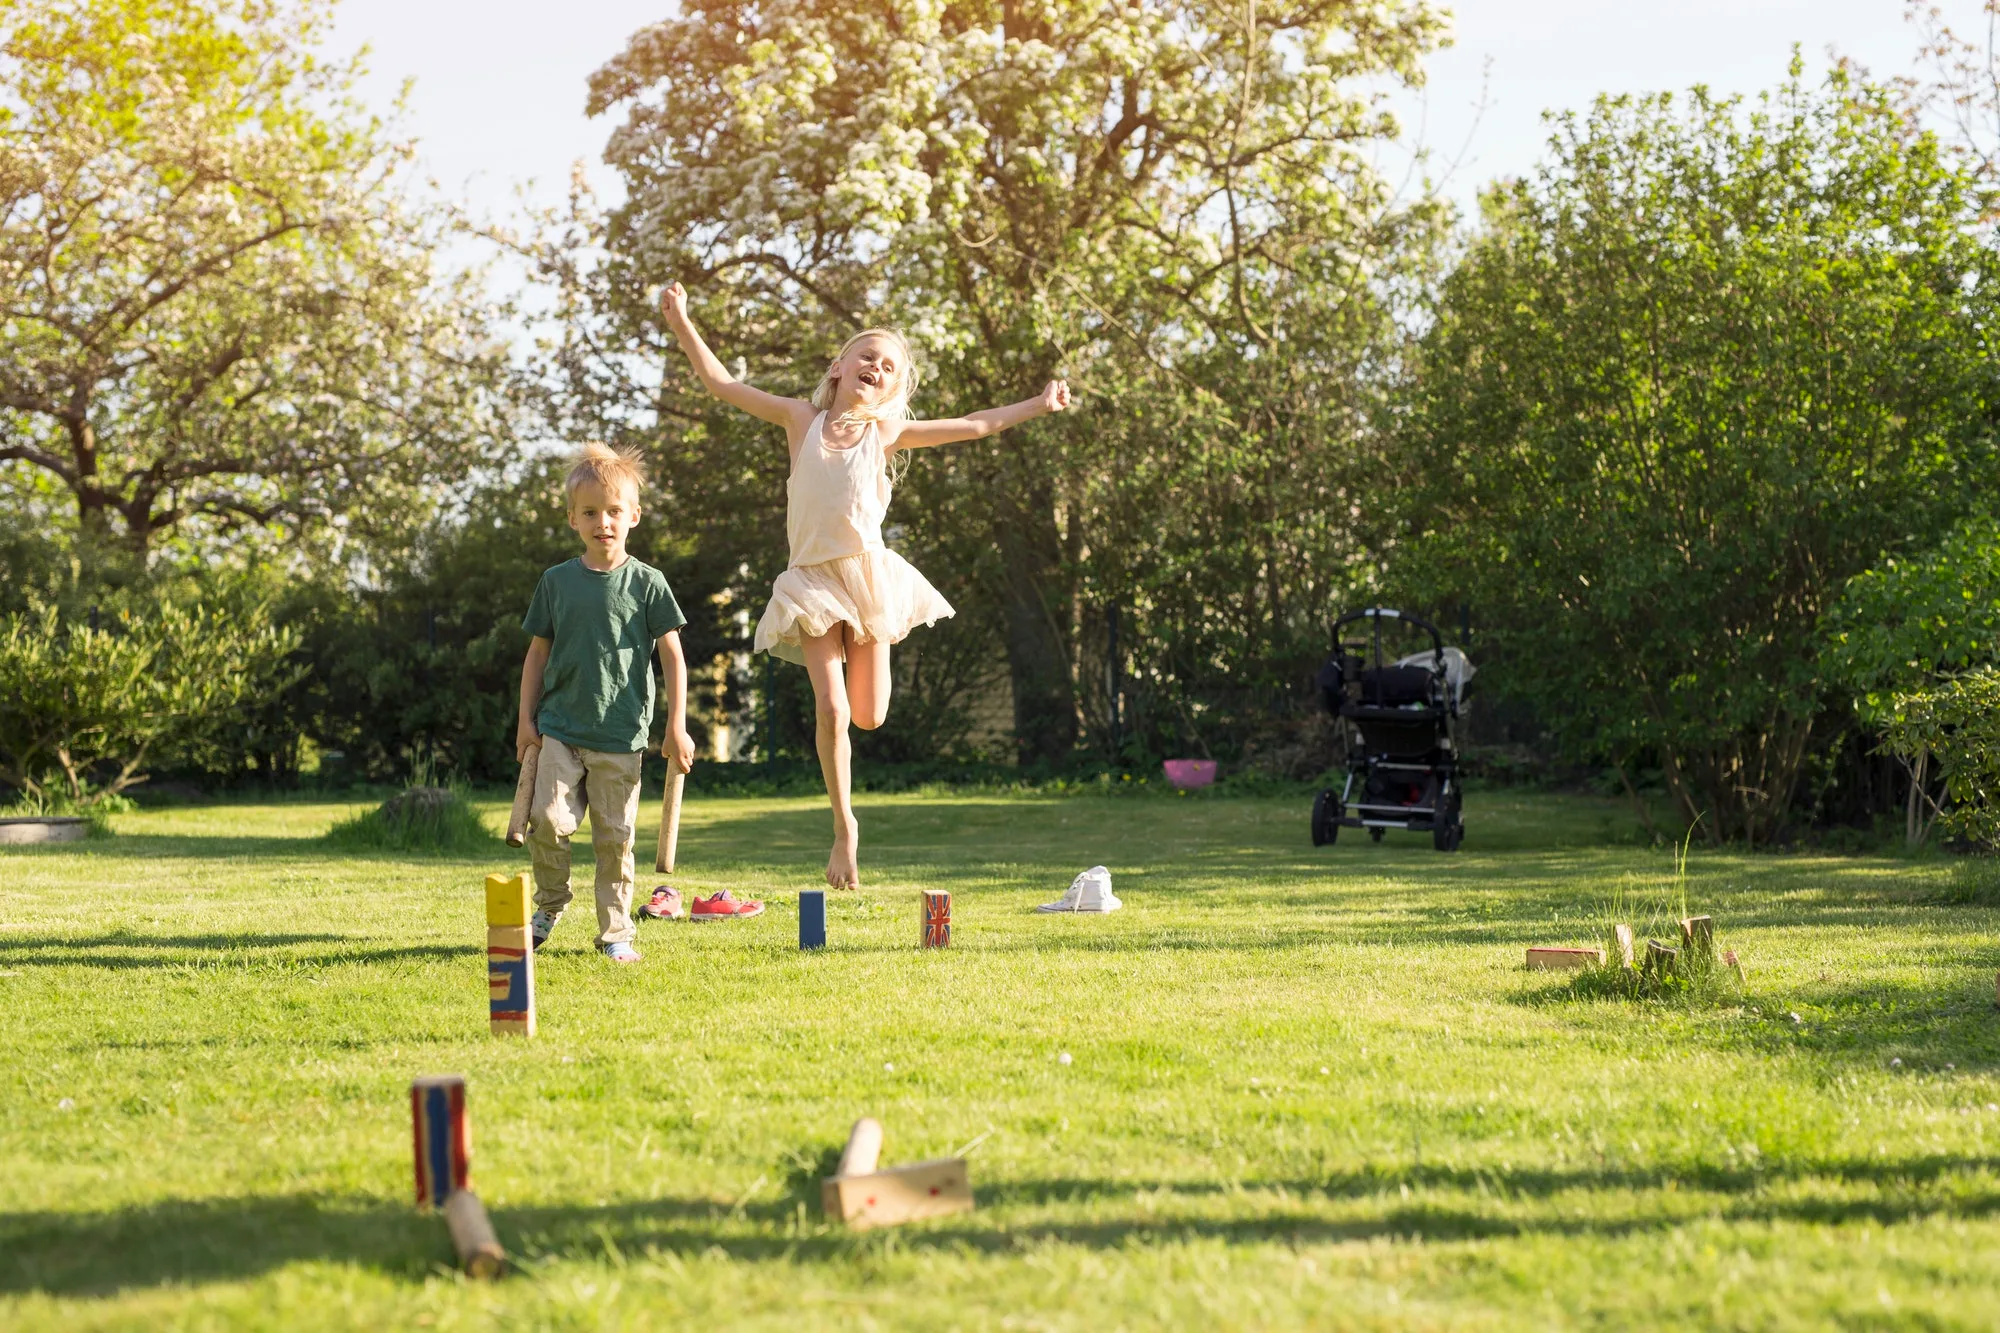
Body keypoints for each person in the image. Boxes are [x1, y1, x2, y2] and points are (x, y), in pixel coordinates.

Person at [659, 282, 1073, 889]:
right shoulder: (800, 420)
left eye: (888, 366)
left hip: (869, 579)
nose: (875, 367)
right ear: (838, 368)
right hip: (811, 583)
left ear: (893, 388)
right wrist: (681, 322)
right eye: (867, 357)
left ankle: (854, 759)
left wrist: (1036, 405)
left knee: (870, 716)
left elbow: (975, 425)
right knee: (832, 709)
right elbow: (722, 385)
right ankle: (844, 827)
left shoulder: (884, 434)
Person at [516, 443, 712, 964]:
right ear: (572, 519)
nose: (603, 521)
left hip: (621, 734)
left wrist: (677, 727)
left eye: (613, 511)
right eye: (590, 512)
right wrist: (524, 725)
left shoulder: (648, 584)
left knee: (614, 839)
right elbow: (536, 656)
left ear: (633, 517)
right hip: (559, 727)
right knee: (549, 822)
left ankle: (616, 932)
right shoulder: (556, 583)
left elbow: (673, 656)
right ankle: (550, 905)